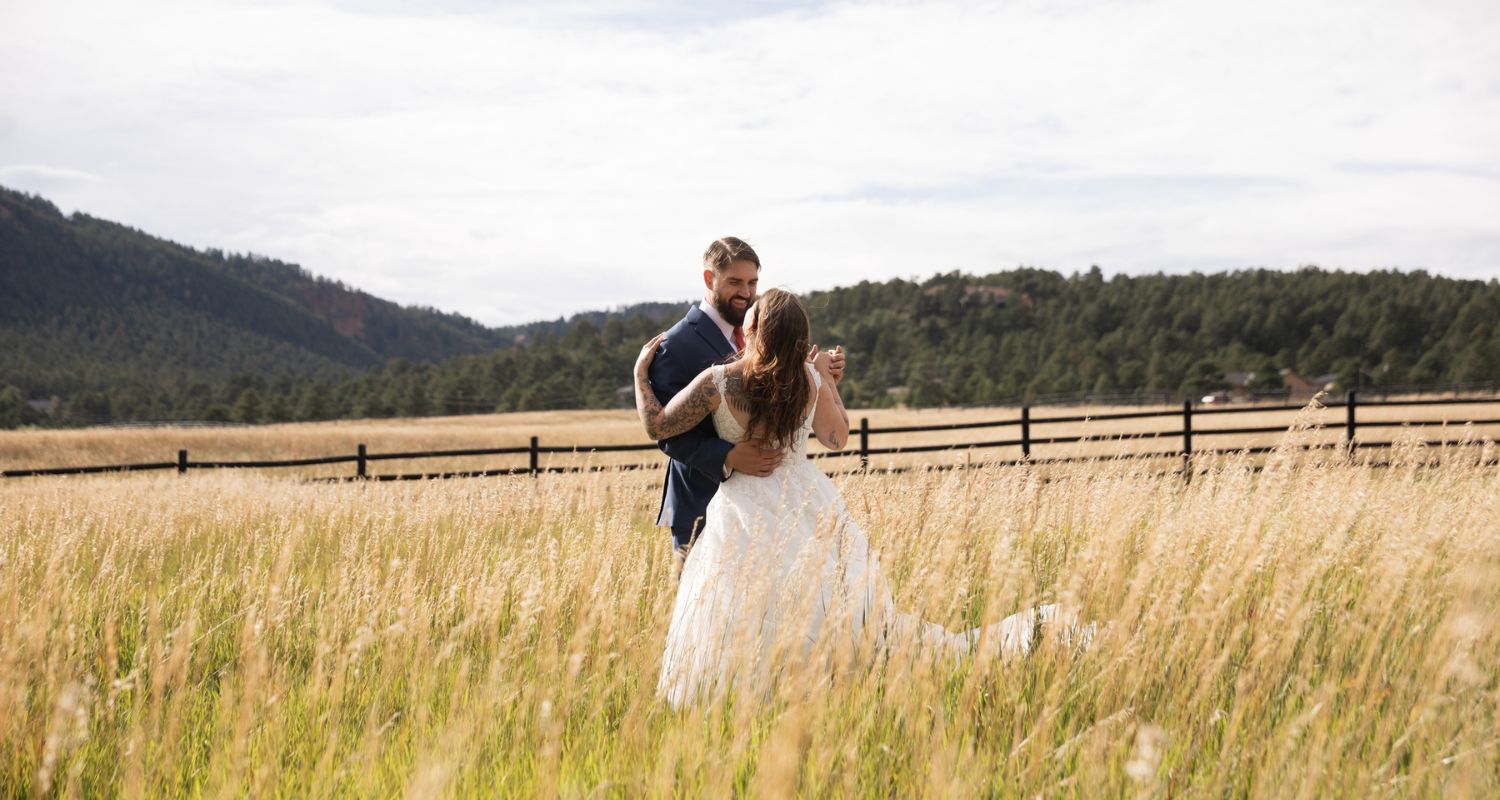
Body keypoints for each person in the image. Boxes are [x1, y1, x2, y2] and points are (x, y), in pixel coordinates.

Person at [634, 288, 1087, 707]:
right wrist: (827, 382)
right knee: (821, 596)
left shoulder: (717, 381)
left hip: (743, 504)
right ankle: (825, 682)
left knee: (743, 602)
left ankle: (751, 691)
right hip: (806, 500)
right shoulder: (807, 380)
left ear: (752, 329)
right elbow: (837, 438)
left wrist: (640, 374)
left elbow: (658, 425)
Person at [646, 237, 843, 557]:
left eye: (752, 283)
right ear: (709, 278)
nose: (746, 292)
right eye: (735, 282)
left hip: (779, 508)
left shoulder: (765, 327)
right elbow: (668, 433)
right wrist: (725, 455)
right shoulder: (676, 344)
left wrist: (815, 376)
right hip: (701, 504)